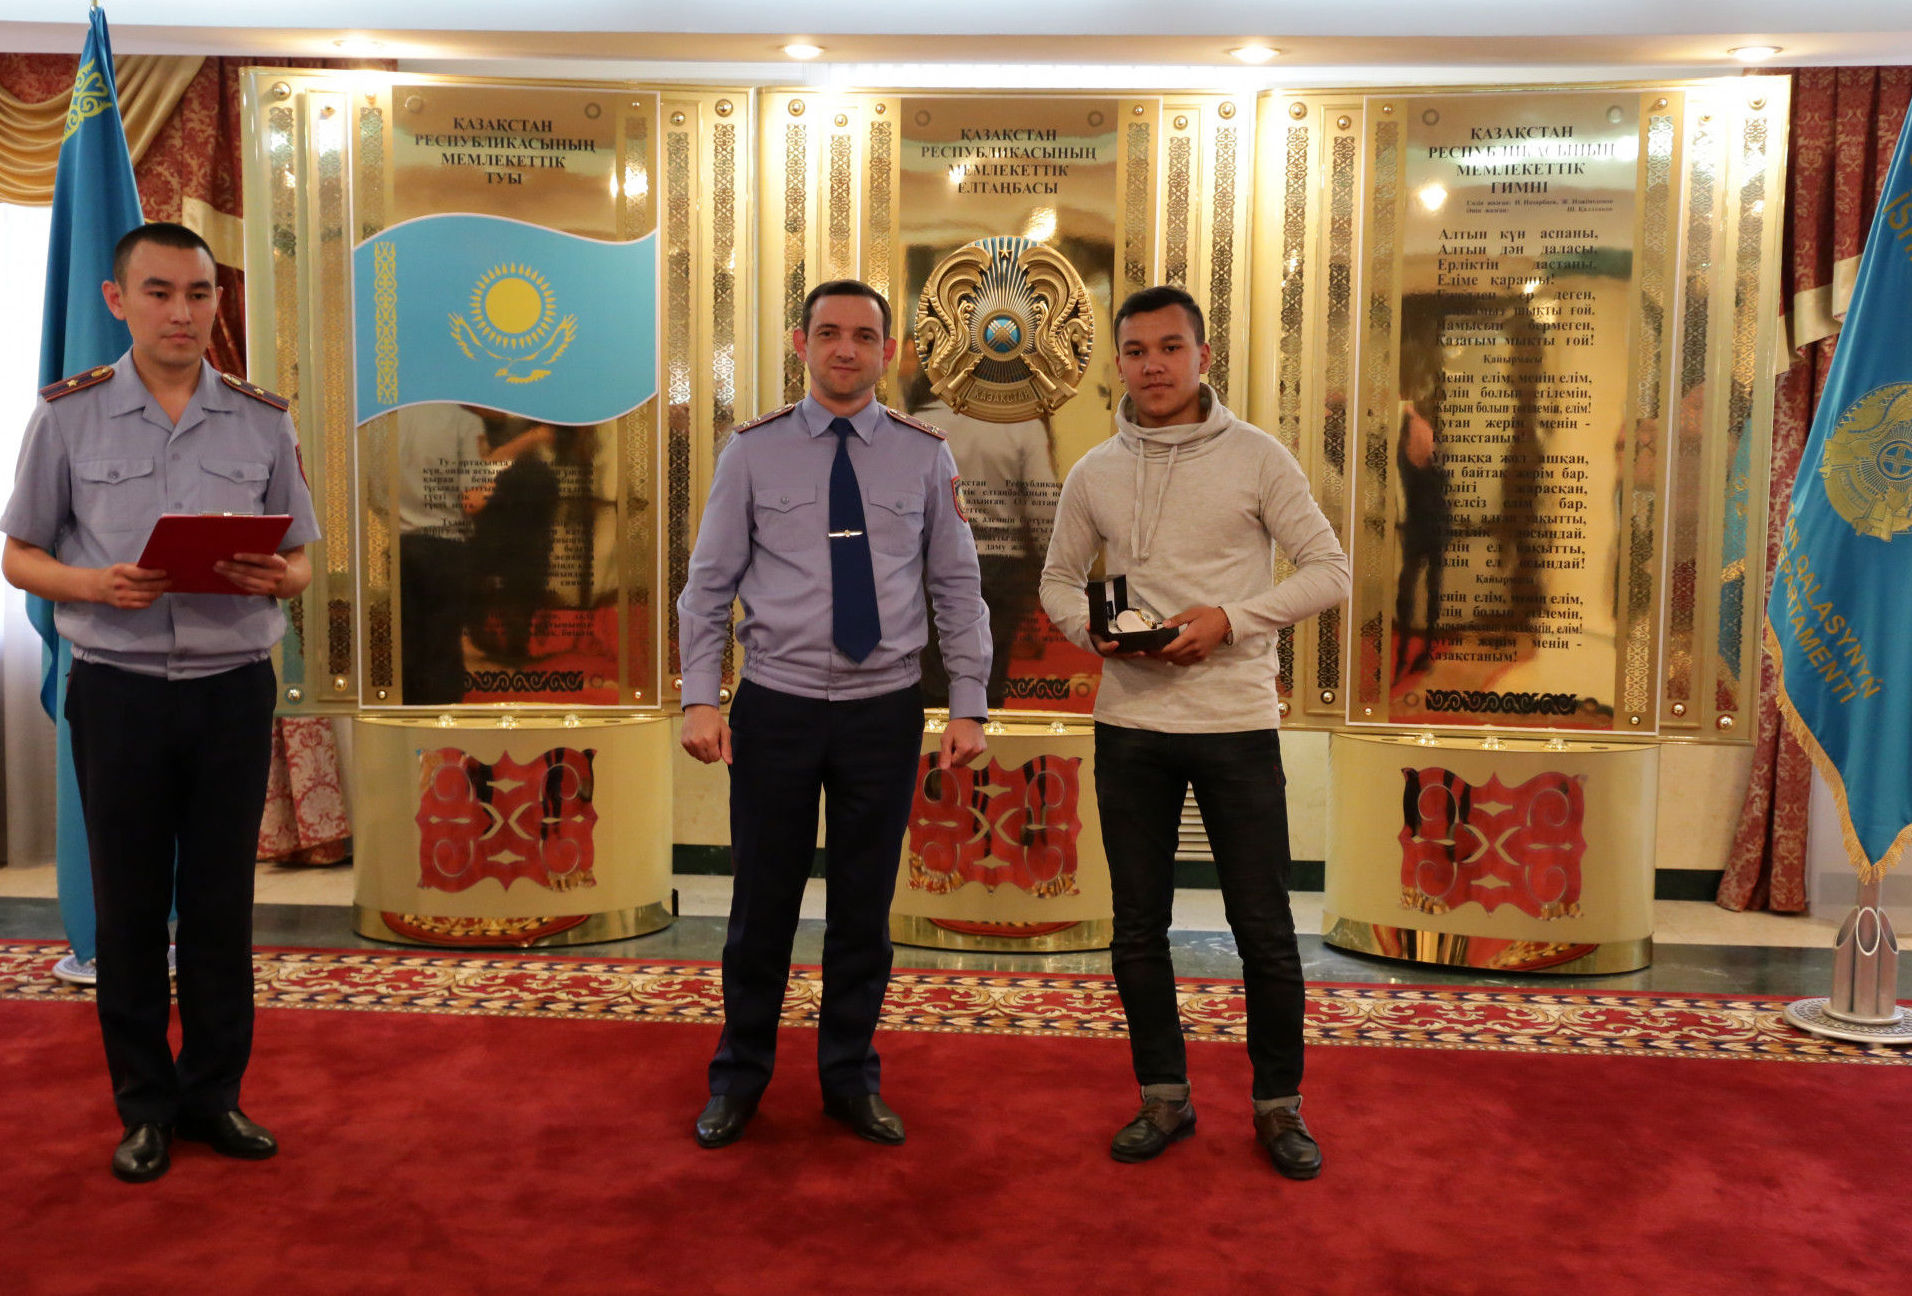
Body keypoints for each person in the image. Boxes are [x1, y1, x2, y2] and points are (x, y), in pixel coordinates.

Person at [0, 222, 319, 1184]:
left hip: (231, 691)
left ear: (217, 302)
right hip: (120, 692)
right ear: (118, 300)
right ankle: (143, 1107)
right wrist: (92, 586)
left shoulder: (262, 419)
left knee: (221, 904)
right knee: (131, 906)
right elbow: (19, 553)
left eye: (199, 293)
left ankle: (214, 1096)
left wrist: (279, 578)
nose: (182, 313)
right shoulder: (68, 416)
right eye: (160, 292)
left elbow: (303, 557)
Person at [1038, 285, 1350, 1179]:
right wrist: (1089, 632)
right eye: (1137, 351)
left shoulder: (1257, 457)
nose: (1154, 366)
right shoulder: (1095, 470)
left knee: (1264, 927)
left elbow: (1329, 570)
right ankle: (1163, 1096)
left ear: (1202, 357)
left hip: (1234, 723)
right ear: (1119, 365)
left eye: (1170, 348)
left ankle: (1279, 1105)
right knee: (1138, 927)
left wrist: (1232, 620)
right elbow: (1058, 580)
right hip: (1130, 723)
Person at [677, 279, 990, 1149]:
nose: (845, 349)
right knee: (761, 908)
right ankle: (739, 1078)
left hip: (882, 711)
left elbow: (957, 588)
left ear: (888, 351)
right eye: (827, 333)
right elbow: (708, 585)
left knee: (863, 910)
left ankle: (849, 1079)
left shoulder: (925, 457)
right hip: (775, 708)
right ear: (801, 343)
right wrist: (701, 696)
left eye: (862, 335)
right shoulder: (753, 452)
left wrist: (968, 704)